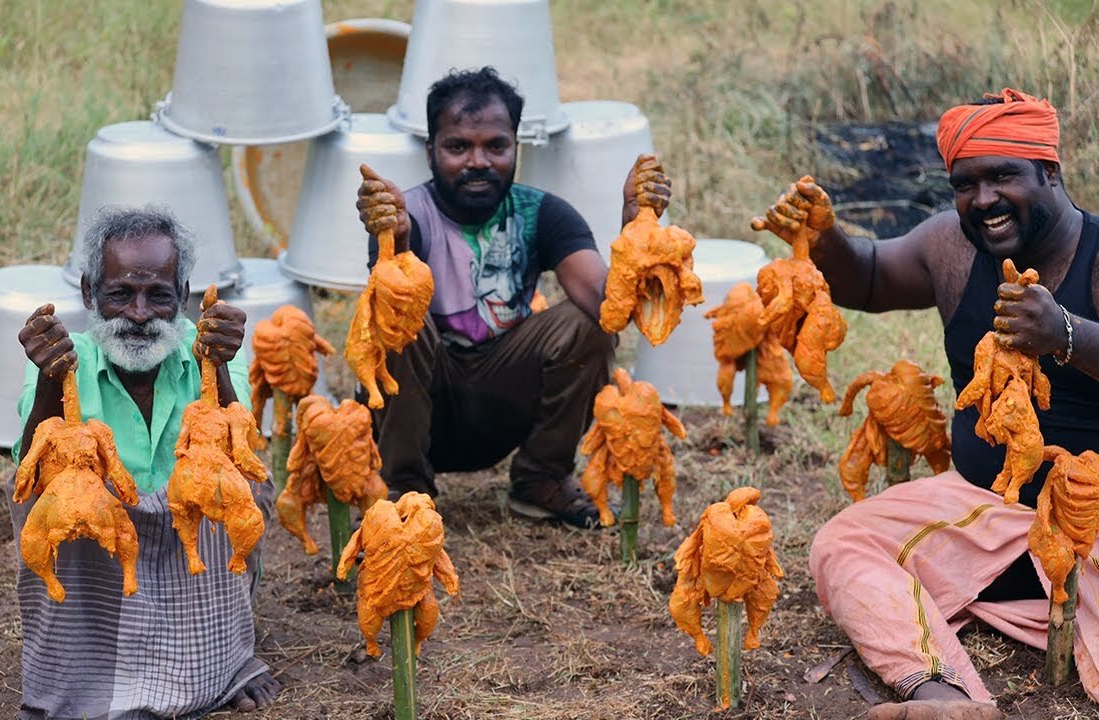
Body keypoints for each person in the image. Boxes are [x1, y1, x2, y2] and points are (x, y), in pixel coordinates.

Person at [755, 89, 1098, 719]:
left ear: (1050, 171)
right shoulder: (952, 246)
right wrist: (825, 240)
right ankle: (948, 699)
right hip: (981, 506)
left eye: (1003, 176)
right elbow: (870, 278)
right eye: (965, 183)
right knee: (843, 544)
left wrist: (1067, 335)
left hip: (1090, 517)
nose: (984, 199)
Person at [355, 66, 671, 528]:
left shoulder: (543, 214)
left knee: (589, 325)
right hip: (421, 406)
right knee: (397, 319)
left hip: (502, 399)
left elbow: (610, 307)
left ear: (516, 147)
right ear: (430, 152)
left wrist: (636, 223)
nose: (478, 161)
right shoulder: (408, 217)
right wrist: (397, 243)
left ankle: (541, 478)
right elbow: (389, 312)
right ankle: (405, 492)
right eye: (458, 146)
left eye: (496, 146)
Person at [9, 207, 282, 719]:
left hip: (191, 553)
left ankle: (222, 665)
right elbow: (27, 481)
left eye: (158, 296)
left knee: (238, 490)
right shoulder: (66, 361)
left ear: (183, 297)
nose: (138, 314)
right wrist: (49, 381)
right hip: (103, 562)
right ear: (90, 294)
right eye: (120, 295)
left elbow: (239, 459)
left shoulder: (212, 355)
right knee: (54, 504)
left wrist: (218, 368)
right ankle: (86, 673)